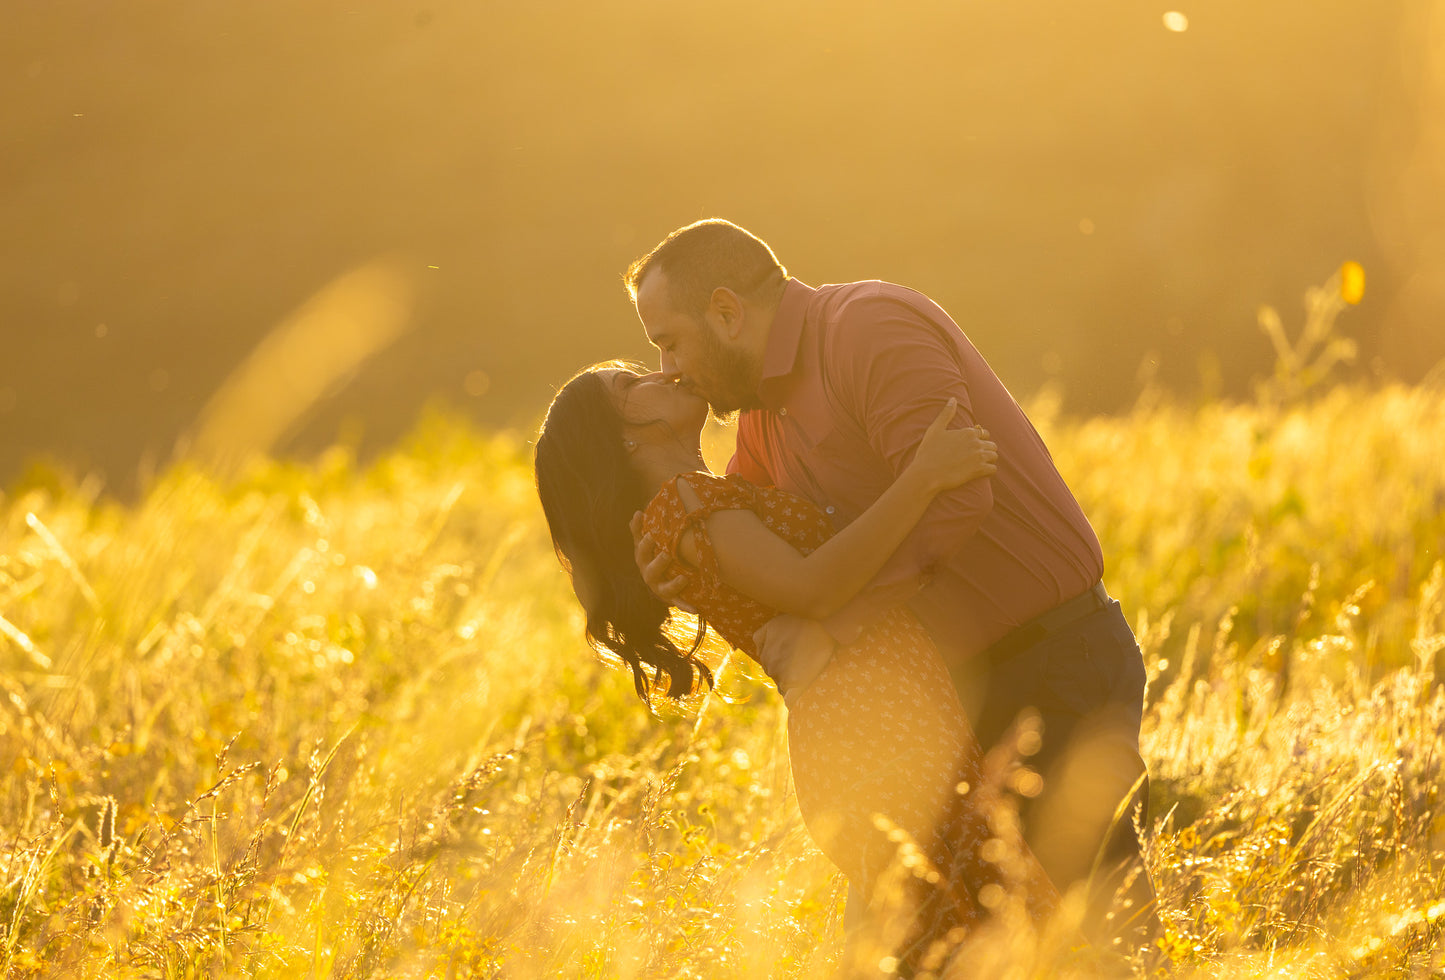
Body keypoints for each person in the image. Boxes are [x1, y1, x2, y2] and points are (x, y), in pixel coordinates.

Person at [624, 218, 1161, 950]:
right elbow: (769, 572)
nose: (668, 369)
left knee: (1100, 938)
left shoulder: (868, 329)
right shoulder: (761, 421)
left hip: (1049, 665)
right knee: (909, 943)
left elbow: (959, 494)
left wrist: (837, 624)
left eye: (668, 341)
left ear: (726, 312)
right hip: (945, 702)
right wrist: (686, 578)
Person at [534, 361, 1058, 969]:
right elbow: (812, 588)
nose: (659, 373)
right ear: (622, 438)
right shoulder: (684, 503)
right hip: (869, 729)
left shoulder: (695, 501)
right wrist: (924, 477)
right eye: (630, 386)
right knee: (978, 935)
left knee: (969, 934)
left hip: (883, 717)